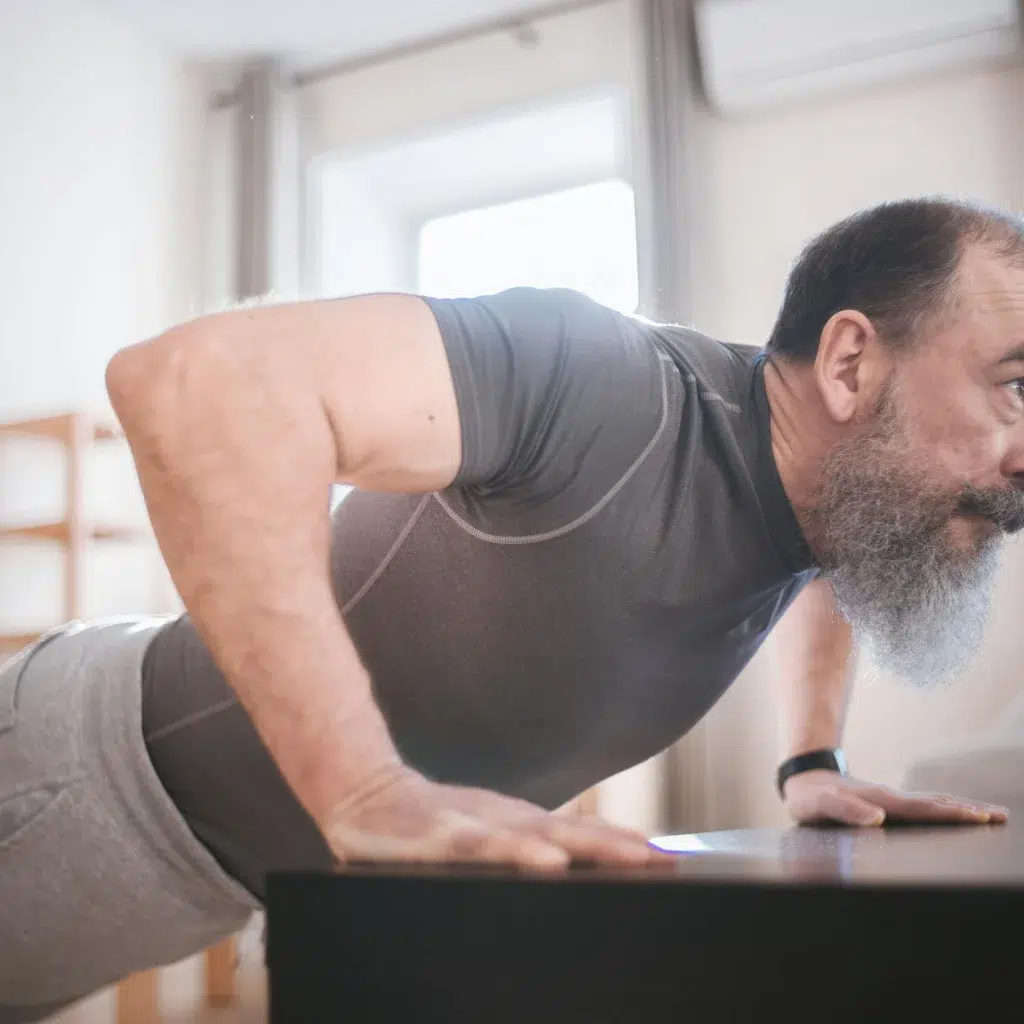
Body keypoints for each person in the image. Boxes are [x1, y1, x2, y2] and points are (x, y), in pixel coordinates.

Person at [2, 196, 1021, 1020]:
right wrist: (363, 785)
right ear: (849, 364)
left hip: (221, 869)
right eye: (1013, 386)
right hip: (82, 783)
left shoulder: (820, 486)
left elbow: (845, 546)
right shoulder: (611, 386)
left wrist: (810, 761)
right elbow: (193, 380)